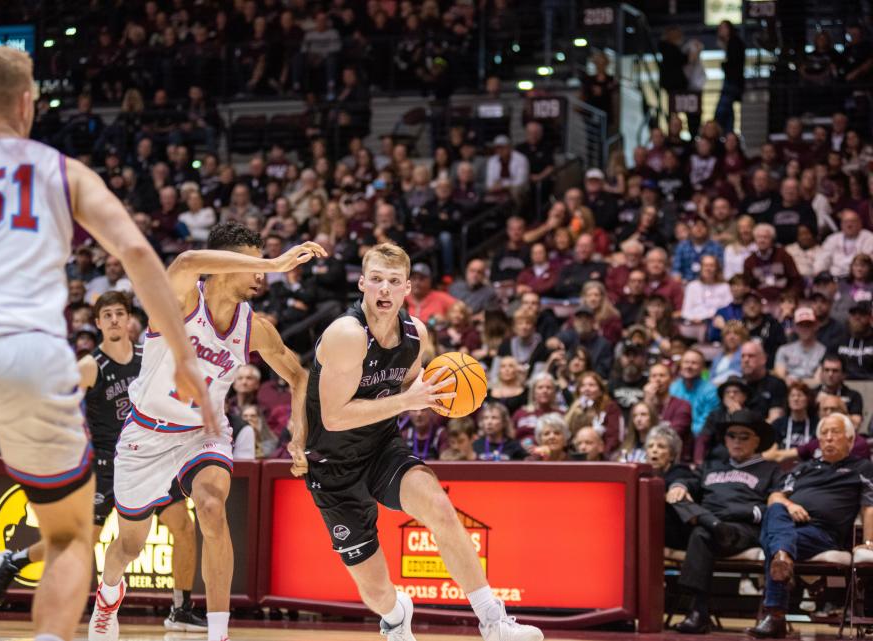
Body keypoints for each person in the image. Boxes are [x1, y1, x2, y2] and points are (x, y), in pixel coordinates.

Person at [0, 46, 214, 641]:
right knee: (71, 536)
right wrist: (184, 356)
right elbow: (136, 253)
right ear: (29, 104)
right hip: (36, 354)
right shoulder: (64, 172)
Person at [89, 227, 325, 641]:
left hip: (203, 433)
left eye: (260, 266)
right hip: (145, 436)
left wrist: (299, 434)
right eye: (250, 264)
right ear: (224, 265)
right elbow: (186, 263)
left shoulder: (254, 328)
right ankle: (108, 596)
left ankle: (218, 634)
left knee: (212, 507)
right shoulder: (182, 300)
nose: (260, 276)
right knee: (128, 545)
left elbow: (299, 376)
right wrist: (274, 261)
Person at [298, 243, 543, 641]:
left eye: (394, 281)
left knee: (441, 508)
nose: (384, 288)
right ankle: (395, 616)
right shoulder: (346, 334)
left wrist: (447, 395)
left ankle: (492, 619)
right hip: (333, 466)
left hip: (381, 448)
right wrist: (408, 400)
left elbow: (414, 392)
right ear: (362, 283)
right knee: (377, 593)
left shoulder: (416, 334)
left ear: (407, 288)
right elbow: (334, 416)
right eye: (376, 279)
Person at [0, 292, 206, 630]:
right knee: (80, 540)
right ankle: (15, 561)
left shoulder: (149, 357)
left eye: (120, 313)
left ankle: (181, 609)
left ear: (130, 320)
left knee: (184, 527)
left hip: (151, 459)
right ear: (99, 323)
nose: (115, 319)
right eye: (108, 315)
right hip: (106, 464)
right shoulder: (90, 366)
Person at [748, 413, 873, 639]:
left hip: (823, 534)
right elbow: (775, 496)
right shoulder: (803, 468)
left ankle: (775, 614)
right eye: (824, 434)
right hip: (790, 526)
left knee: (775, 538)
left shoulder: (862, 468)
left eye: (835, 432)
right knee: (775, 507)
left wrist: (868, 542)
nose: (828, 438)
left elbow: (869, 507)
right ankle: (783, 558)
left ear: (850, 439)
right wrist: (789, 504)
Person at [666, 409, 781, 634]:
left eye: (744, 436)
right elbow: (688, 480)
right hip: (710, 527)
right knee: (674, 500)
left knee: (700, 532)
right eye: (731, 435)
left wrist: (742, 512)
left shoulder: (770, 470)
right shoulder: (711, 467)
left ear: (757, 440)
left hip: (742, 529)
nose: (736, 441)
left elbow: (777, 504)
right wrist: (678, 486)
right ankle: (712, 524)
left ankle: (698, 612)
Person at [563, 371, 623, 455]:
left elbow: (614, 437)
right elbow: (566, 434)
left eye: (591, 385)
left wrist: (603, 455)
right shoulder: (575, 408)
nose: (586, 389)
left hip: (603, 457)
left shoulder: (610, 407)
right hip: (576, 455)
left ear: (601, 390)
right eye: (583, 386)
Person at [644, 363, 693, 459]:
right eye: (654, 376)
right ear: (649, 380)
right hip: (648, 455)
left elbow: (671, 436)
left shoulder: (682, 405)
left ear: (671, 380)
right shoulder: (645, 405)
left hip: (675, 458)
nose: (657, 379)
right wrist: (648, 402)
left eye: (662, 375)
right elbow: (640, 432)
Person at [671, 349, 720, 438]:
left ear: (702, 368)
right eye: (686, 362)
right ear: (681, 365)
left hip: (699, 437)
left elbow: (707, 422)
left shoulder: (711, 391)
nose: (689, 366)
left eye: (694, 363)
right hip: (675, 435)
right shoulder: (673, 387)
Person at [774, 307, 825, 385]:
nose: (805, 329)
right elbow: (780, 378)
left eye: (808, 325)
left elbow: (818, 381)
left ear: (815, 326)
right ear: (795, 327)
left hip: (812, 392)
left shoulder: (823, 351)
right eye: (801, 325)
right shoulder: (783, 350)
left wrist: (796, 383)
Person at [813, 354, 863, 429]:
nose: (830, 374)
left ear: (843, 374)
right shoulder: (812, 394)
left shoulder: (854, 396)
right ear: (821, 373)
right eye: (826, 370)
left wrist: (836, 405)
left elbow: (856, 425)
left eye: (835, 371)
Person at [833, 301, 873, 380]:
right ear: (849, 317)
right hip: (843, 385)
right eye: (853, 314)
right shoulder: (839, 339)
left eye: (862, 314)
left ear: (869, 318)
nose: (857, 318)